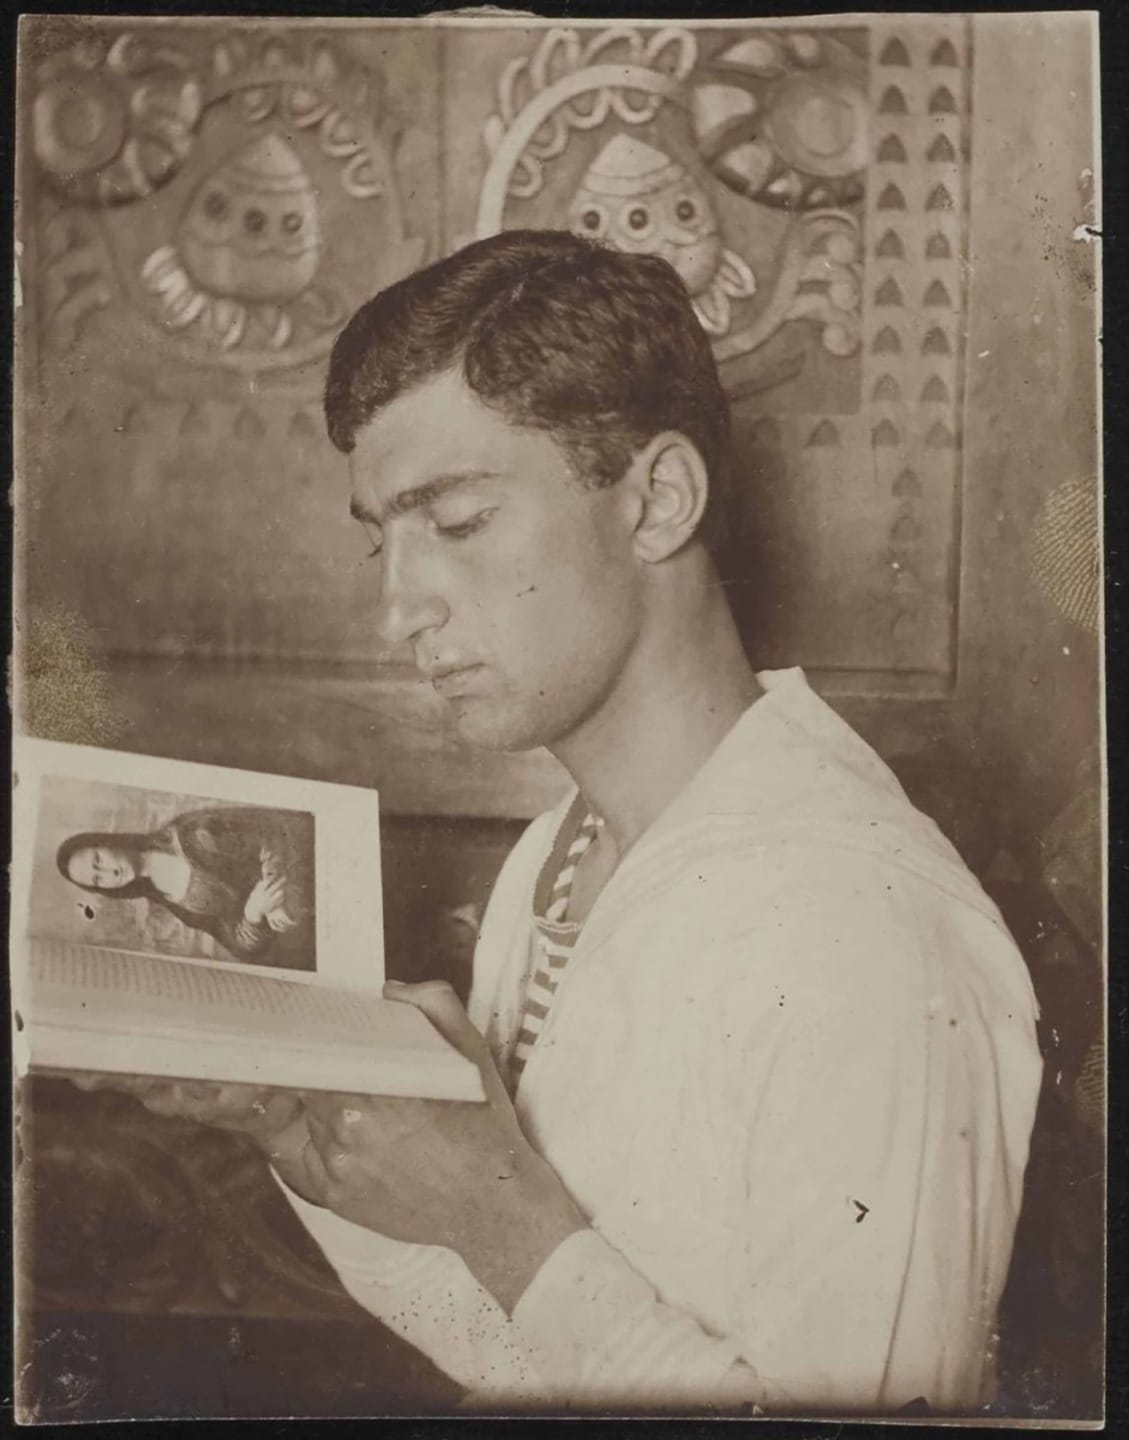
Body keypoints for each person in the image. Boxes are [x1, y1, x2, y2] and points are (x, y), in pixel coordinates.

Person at [80, 231, 1043, 1414]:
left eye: (462, 522)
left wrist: (499, 1208)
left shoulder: (863, 931)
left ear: (658, 501)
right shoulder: (562, 851)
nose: (397, 609)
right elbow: (512, 1345)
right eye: (383, 538)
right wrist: (312, 1141)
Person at [57, 805, 314, 968]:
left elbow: (270, 831)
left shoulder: (189, 832)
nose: (109, 873)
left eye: (98, 860)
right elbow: (240, 945)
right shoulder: (169, 899)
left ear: (107, 841)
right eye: (97, 880)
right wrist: (254, 913)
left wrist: (274, 887)